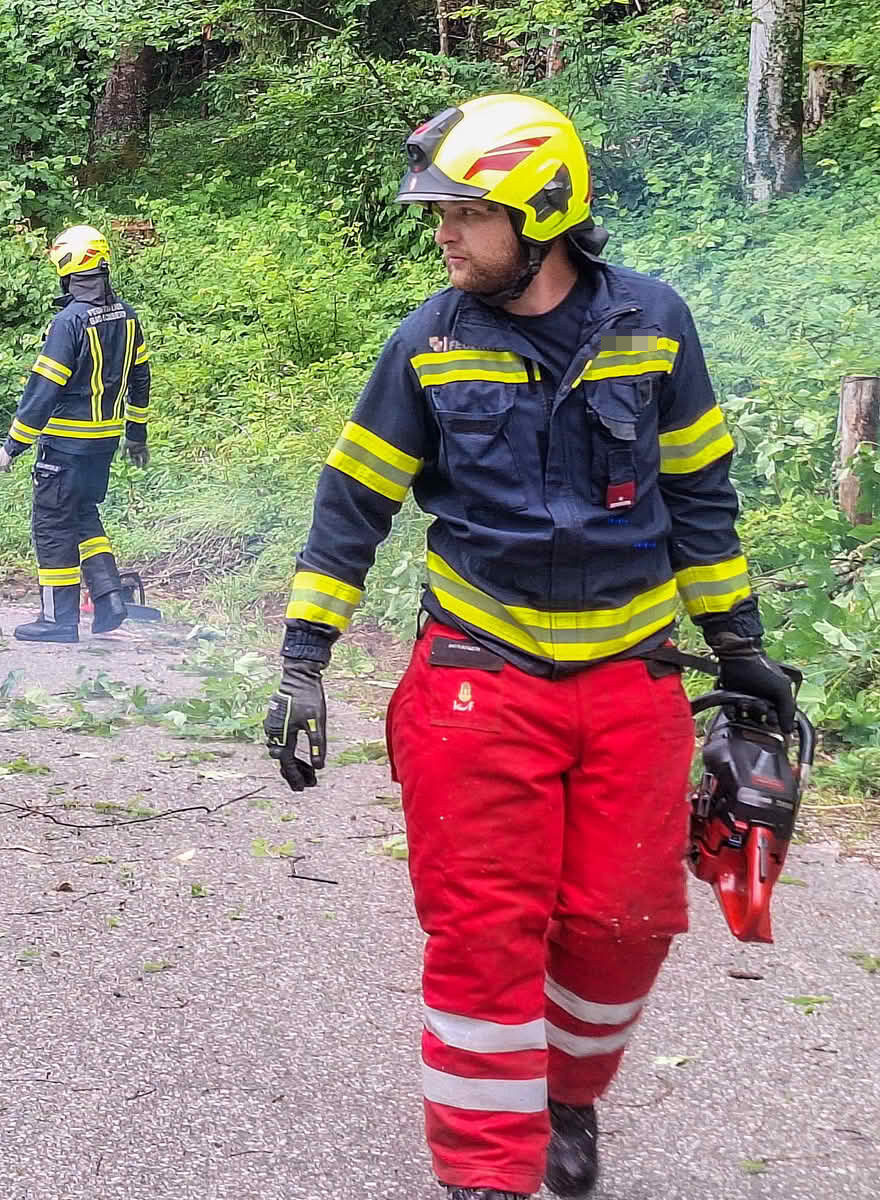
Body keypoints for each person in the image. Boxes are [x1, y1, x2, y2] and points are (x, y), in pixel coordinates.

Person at [262, 94, 800, 1200]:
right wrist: (305, 656)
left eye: (464, 213)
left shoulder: (655, 324)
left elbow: (701, 495)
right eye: (441, 215)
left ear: (540, 212)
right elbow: (353, 498)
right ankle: (485, 1178)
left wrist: (738, 646)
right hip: (478, 672)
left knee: (625, 925)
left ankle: (566, 1096)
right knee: (483, 938)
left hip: (632, 680)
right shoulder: (428, 340)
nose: (444, 236)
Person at [0, 225, 151, 643]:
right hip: (105, 443)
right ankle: (110, 600)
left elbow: (44, 389)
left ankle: (58, 620)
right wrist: (136, 433)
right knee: (84, 516)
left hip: (63, 446)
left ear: (66, 268)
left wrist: (15, 443)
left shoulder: (68, 322)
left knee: (52, 527)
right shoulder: (127, 317)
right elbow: (141, 378)